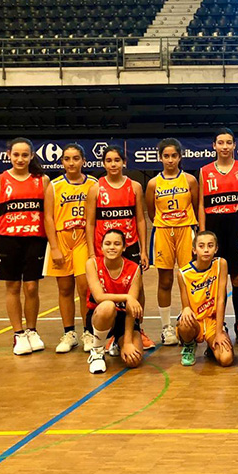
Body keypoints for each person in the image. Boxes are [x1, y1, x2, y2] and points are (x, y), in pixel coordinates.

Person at [86, 145, 154, 350]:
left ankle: (137, 327)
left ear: (124, 162)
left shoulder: (134, 187)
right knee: (102, 289)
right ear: (103, 163)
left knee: (137, 288)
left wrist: (143, 250)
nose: (113, 164)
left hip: (129, 245)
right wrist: (92, 252)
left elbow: (140, 219)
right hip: (105, 246)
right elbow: (90, 222)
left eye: (117, 160)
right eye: (109, 160)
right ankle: (106, 332)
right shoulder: (96, 188)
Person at [0, 137, 51, 355]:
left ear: (32, 156)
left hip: (35, 240)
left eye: (25, 155)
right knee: (13, 287)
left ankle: (32, 330)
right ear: (9, 155)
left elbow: (48, 216)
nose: (20, 159)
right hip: (8, 240)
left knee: (32, 287)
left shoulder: (42, 181)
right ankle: (18, 334)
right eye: (16, 155)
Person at [43, 144, 97, 353]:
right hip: (62, 238)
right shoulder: (54, 186)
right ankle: (69, 333)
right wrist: (54, 247)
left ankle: (88, 332)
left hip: (83, 237)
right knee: (65, 288)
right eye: (67, 159)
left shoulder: (93, 184)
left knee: (85, 288)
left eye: (76, 158)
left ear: (84, 160)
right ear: (62, 162)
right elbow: (48, 218)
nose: (71, 162)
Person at [145, 138, 198, 346]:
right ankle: (166, 327)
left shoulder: (190, 180)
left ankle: (191, 320)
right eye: (166, 156)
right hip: (163, 231)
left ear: (180, 157)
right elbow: (151, 212)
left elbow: (196, 206)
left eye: (174, 156)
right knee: (165, 281)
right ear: (160, 158)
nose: (170, 160)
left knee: (189, 279)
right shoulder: (153, 183)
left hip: (186, 230)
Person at [199, 128, 238, 328]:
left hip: (237, 227)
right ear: (214, 145)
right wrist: (203, 234)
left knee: (237, 277)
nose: (225, 146)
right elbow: (201, 205)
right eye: (220, 142)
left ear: (235, 145)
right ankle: (215, 324)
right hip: (214, 228)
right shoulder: (205, 171)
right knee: (214, 278)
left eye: (229, 142)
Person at [83, 229, 145, 374]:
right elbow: (99, 297)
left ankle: (118, 342)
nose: (112, 247)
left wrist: (128, 342)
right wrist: (127, 297)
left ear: (124, 247)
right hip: (101, 316)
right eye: (108, 243)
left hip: (124, 317)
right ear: (101, 246)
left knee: (134, 360)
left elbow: (131, 309)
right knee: (108, 306)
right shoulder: (92, 264)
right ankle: (97, 352)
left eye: (117, 244)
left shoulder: (134, 269)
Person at [176, 230, 234, 367]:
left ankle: (212, 345)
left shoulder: (221, 264)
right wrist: (185, 309)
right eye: (201, 246)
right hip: (195, 321)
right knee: (184, 322)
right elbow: (186, 306)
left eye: (210, 245)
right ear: (194, 250)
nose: (206, 250)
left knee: (226, 359)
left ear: (216, 248)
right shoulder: (183, 274)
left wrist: (219, 333)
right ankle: (189, 345)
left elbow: (221, 300)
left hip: (213, 321)